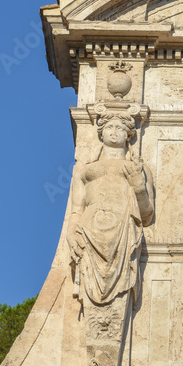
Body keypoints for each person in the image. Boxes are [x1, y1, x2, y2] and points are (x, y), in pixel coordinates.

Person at [67, 107, 154, 308]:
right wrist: (71, 234)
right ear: (101, 132)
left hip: (123, 230)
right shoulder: (85, 170)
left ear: (129, 134)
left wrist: (139, 188)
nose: (114, 131)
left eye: (120, 127)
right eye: (109, 127)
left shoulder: (138, 169)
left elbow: (147, 215)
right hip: (89, 229)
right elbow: (76, 210)